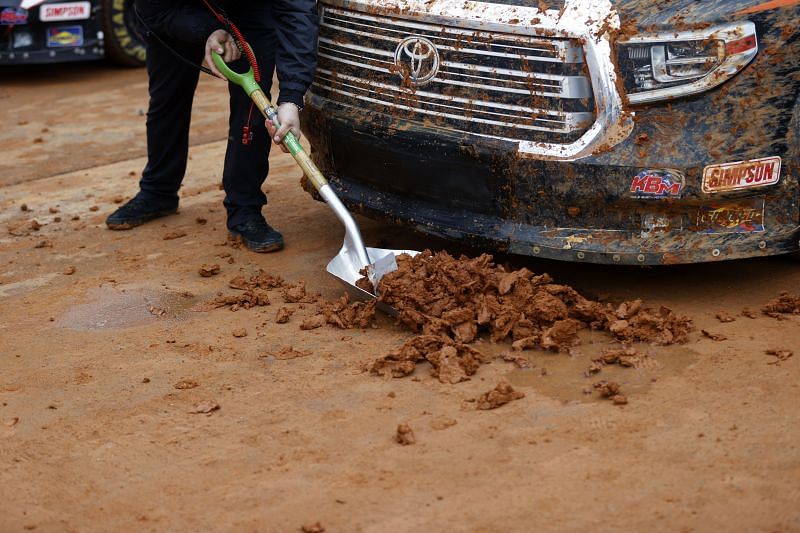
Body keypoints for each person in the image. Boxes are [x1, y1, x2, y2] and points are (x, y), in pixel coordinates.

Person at [106, 0, 319, 253]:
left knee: (250, 112)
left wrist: (292, 98)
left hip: (251, 11)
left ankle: (245, 210)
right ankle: (158, 192)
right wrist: (207, 29)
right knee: (168, 100)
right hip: (171, 8)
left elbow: (296, 12)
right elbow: (153, 10)